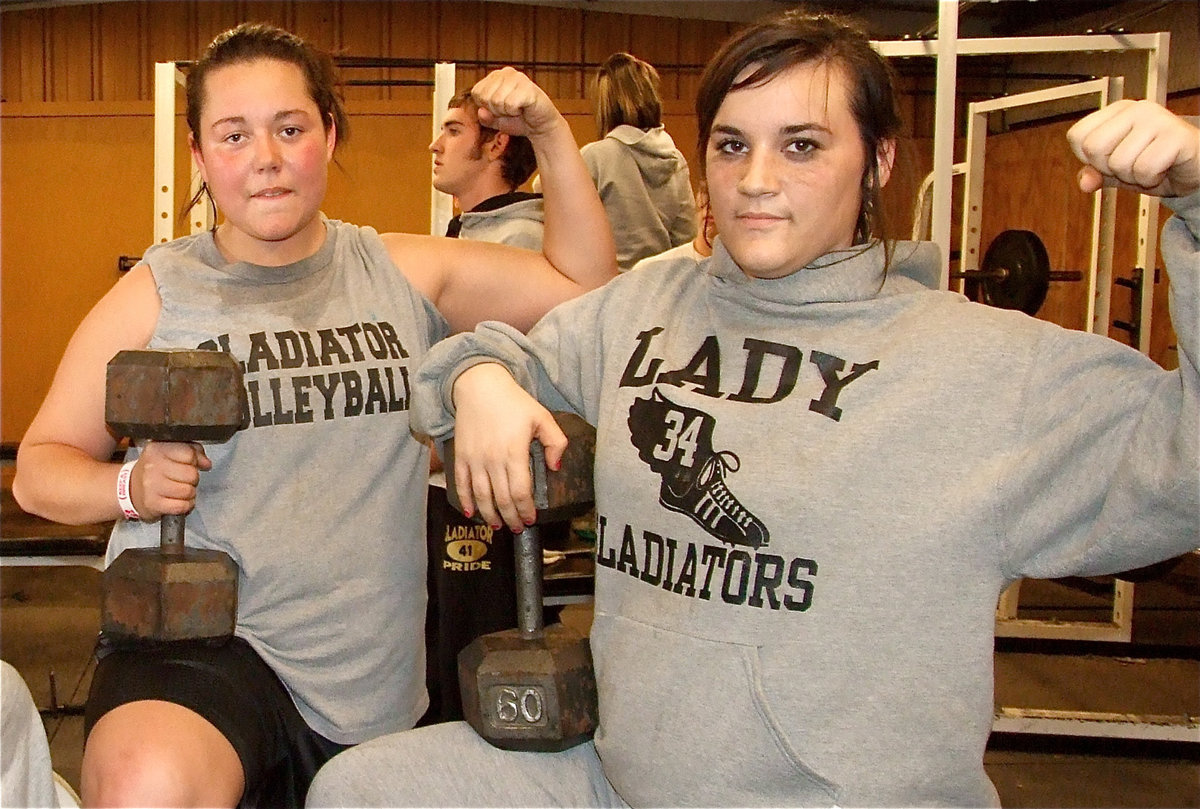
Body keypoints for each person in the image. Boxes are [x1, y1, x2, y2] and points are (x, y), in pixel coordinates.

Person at [305, 8, 1200, 808]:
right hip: (620, 778)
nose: (757, 178)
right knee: (362, 787)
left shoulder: (981, 363)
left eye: (802, 146)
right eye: (732, 145)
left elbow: (1185, 466)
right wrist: (480, 380)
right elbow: (485, 353)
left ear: (880, 160)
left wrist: (1198, 201)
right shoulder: (645, 308)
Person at [11, 21, 615, 809]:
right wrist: (128, 487)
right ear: (199, 155)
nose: (265, 156)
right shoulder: (160, 290)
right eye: (234, 135)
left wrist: (552, 135)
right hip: (206, 649)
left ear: (328, 135)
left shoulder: (402, 270)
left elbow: (584, 286)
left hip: (369, 677)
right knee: (146, 786)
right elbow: (39, 469)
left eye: (290, 129)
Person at [539, 51, 696, 270]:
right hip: (659, 281)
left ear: (605, 106)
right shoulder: (676, 160)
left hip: (607, 282)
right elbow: (687, 236)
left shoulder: (596, 157)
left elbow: (543, 191)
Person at [431, 92, 544, 249]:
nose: (434, 146)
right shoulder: (465, 230)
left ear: (496, 145)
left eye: (454, 131)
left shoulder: (520, 239)